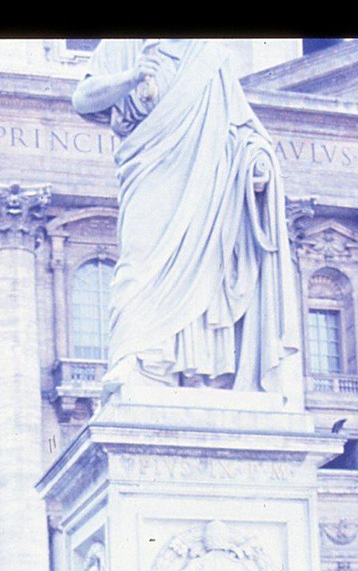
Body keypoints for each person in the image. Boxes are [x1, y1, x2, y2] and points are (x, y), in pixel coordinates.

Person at [71, 40, 301, 403]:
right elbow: (83, 99)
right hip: (149, 173)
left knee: (208, 269)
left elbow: (244, 130)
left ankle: (197, 369)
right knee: (140, 264)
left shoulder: (212, 57)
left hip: (205, 184)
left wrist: (256, 161)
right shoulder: (125, 45)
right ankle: (137, 359)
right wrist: (132, 77)